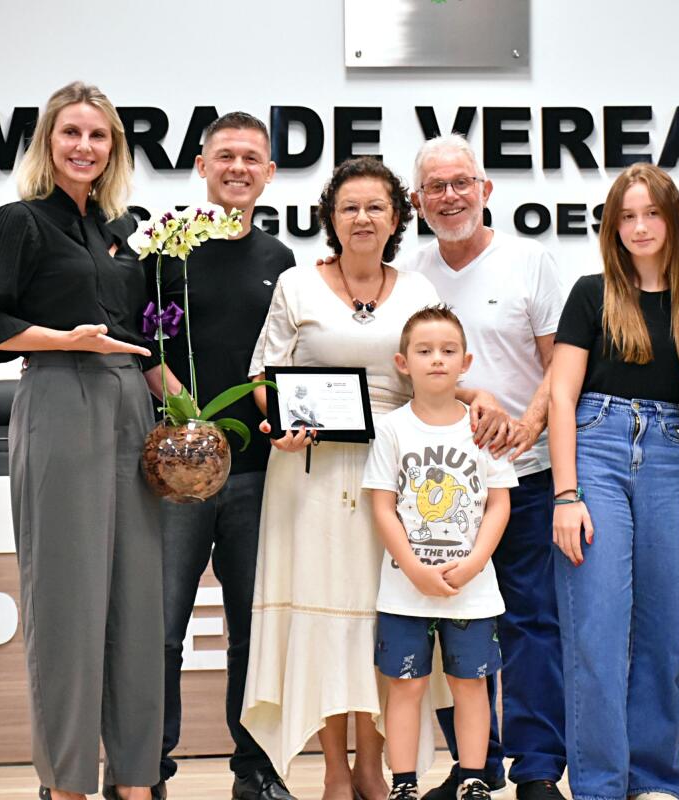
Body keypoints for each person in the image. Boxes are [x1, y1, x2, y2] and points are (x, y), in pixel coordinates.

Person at [0, 81, 160, 800]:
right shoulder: (19, 223)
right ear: (47, 141)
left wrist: (188, 412)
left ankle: (135, 781)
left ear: (113, 148)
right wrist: (62, 340)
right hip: (62, 397)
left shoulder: (123, 230)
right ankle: (68, 783)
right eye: (71, 132)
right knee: (68, 602)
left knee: (136, 603)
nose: (84, 147)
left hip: (130, 405)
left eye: (98, 136)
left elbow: (141, 337)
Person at [242, 157, 441, 800]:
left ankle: (372, 766)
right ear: (331, 217)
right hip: (309, 472)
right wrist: (284, 422)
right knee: (323, 619)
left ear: (396, 217)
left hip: (394, 473)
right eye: (349, 206)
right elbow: (264, 378)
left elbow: (434, 373)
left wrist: (479, 400)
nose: (362, 218)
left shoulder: (418, 290)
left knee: (383, 617)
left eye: (375, 207)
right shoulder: (296, 285)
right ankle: (333, 768)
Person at [395, 133, 568, 800]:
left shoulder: (530, 261)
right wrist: (475, 396)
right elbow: (407, 370)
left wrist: (529, 425)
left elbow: (560, 366)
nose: (450, 196)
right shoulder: (411, 278)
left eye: (461, 182)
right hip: (440, 486)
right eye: (435, 187)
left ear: (485, 189)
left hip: (526, 474)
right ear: (418, 201)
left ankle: (537, 769)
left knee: (531, 624)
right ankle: (475, 766)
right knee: (449, 626)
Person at [141, 112, 296, 800]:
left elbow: (288, 362)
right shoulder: (164, 248)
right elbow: (142, 345)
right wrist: (189, 418)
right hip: (176, 473)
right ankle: (148, 770)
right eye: (225, 155)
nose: (239, 167)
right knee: (160, 630)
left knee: (254, 633)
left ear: (269, 173)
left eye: (252, 158)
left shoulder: (279, 261)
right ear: (202, 166)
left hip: (260, 475)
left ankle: (255, 771)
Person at [547, 163, 679, 800]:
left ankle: (656, 781)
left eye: (652, 214)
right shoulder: (592, 293)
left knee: (664, 632)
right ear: (612, 226)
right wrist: (567, 494)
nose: (639, 227)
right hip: (596, 447)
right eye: (627, 216)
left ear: (673, 220)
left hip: (668, 453)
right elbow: (560, 396)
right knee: (597, 633)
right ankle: (602, 786)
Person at [362, 305, 517, 800]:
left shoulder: (483, 428)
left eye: (448, 351)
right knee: (405, 686)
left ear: (465, 362)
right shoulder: (392, 429)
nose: (436, 359)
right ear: (402, 362)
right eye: (424, 351)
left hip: (472, 589)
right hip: (405, 589)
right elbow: (382, 506)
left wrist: (473, 564)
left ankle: (474, 778)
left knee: (471, 684)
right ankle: (404, 784)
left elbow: (499, 504)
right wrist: (413, 569)